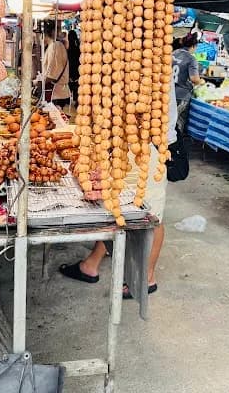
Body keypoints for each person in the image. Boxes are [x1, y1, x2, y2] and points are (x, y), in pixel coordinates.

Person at [58, 81, 179, 296]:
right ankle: (91, 264)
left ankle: (146, 278)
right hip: (125, 142)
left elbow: (145, 112)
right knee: (114, 206)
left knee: (152, 216)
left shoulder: (155, 63)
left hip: (149, 144)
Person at [172, 33, 202, 133]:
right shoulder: (191, 58)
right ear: (193, 46)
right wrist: (201, 81)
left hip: (169, 92)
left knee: (166, 119)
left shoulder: (174, 53)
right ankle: (175, 145)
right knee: (177, 122)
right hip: (181, 95)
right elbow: (194, 79)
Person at [41, 23, 70, 108]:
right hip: (55, 92)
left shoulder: (55, 46)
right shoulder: (52, 46)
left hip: (57, 94)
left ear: (44, 34)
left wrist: (40, 82)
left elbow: (53, 73)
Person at [66, 30, 80, 105]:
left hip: (70, 71)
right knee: (76, 88)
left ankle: (68, 101)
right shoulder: (78, 48)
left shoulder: (68, 50)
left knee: (69, 88)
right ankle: (76, 101)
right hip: (77, 71)